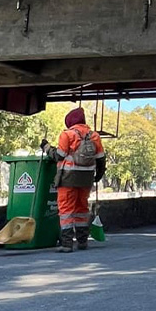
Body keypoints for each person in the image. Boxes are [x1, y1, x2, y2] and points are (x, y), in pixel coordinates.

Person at [41, 107, 106, 252]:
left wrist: (46, 147)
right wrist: (99, 175)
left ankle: (67, 244)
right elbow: (101, 159)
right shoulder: (94, 136)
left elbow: (59, 156)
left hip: (68, 179)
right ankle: (82, 241)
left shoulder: (67, 134)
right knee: (82, 209)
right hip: (86, 179)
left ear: (69, 122)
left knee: (66, 210)